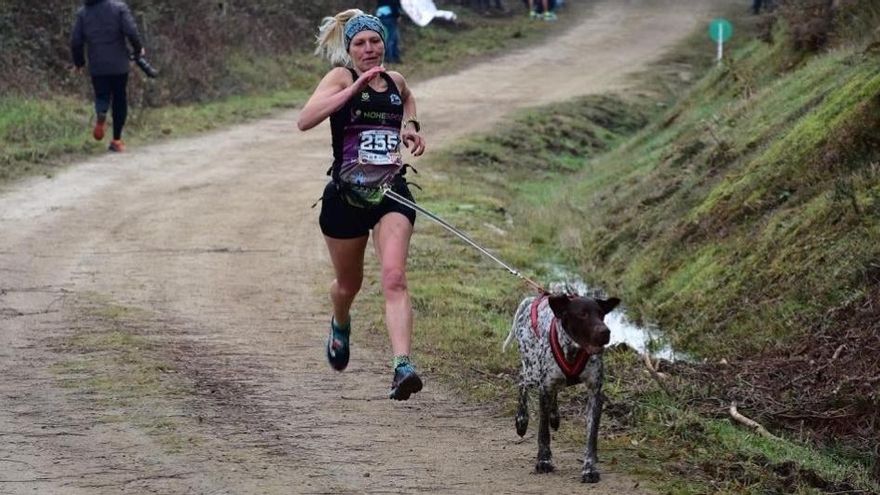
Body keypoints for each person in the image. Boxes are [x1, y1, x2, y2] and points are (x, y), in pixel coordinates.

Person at [296, 9, 427, 401]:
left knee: (394, 277)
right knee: (348, 284)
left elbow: (406, 97)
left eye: (374, 41)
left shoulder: (395, 81)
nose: (369, 49)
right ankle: (340, 322)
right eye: (360, 44)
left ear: (384, 43)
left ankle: (402, 365)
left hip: (391, 193)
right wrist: (352, 92)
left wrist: (411, 126)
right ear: (349, 49)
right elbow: (305, 120)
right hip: (346, 198)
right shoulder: (341, 78)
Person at [70, 0, 144, 153]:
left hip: (97, 65)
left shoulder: (83, 12)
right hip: (119, 65)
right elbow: (131, 31)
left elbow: (76, 41)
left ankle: (101, 112)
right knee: (119, 98)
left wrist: (79, 63)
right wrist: (138, 49)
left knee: (101, 95)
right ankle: (116, 140)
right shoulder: (119, 8)